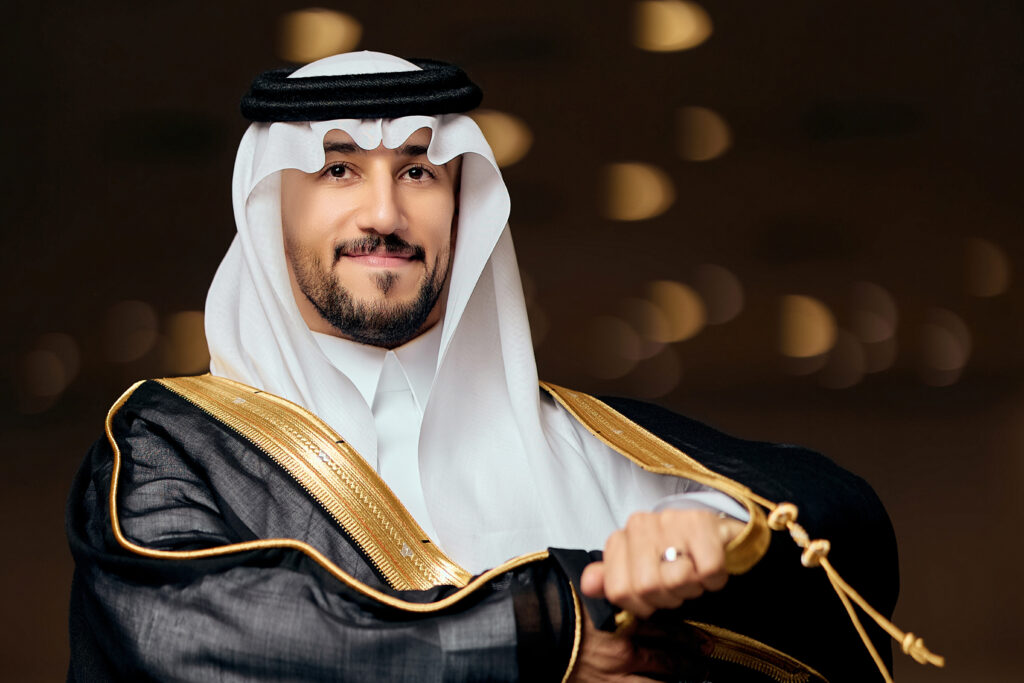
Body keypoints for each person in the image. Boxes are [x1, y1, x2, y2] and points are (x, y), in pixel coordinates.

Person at [66, 51, 937, 682]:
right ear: (271, 207)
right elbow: (187, 634)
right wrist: (549, 630)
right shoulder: (174, 446)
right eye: (338, 170)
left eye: (418, 171)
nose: (384, 212)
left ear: (462, 205)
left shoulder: (581, 444)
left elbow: (842, 529)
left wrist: (713, 531)